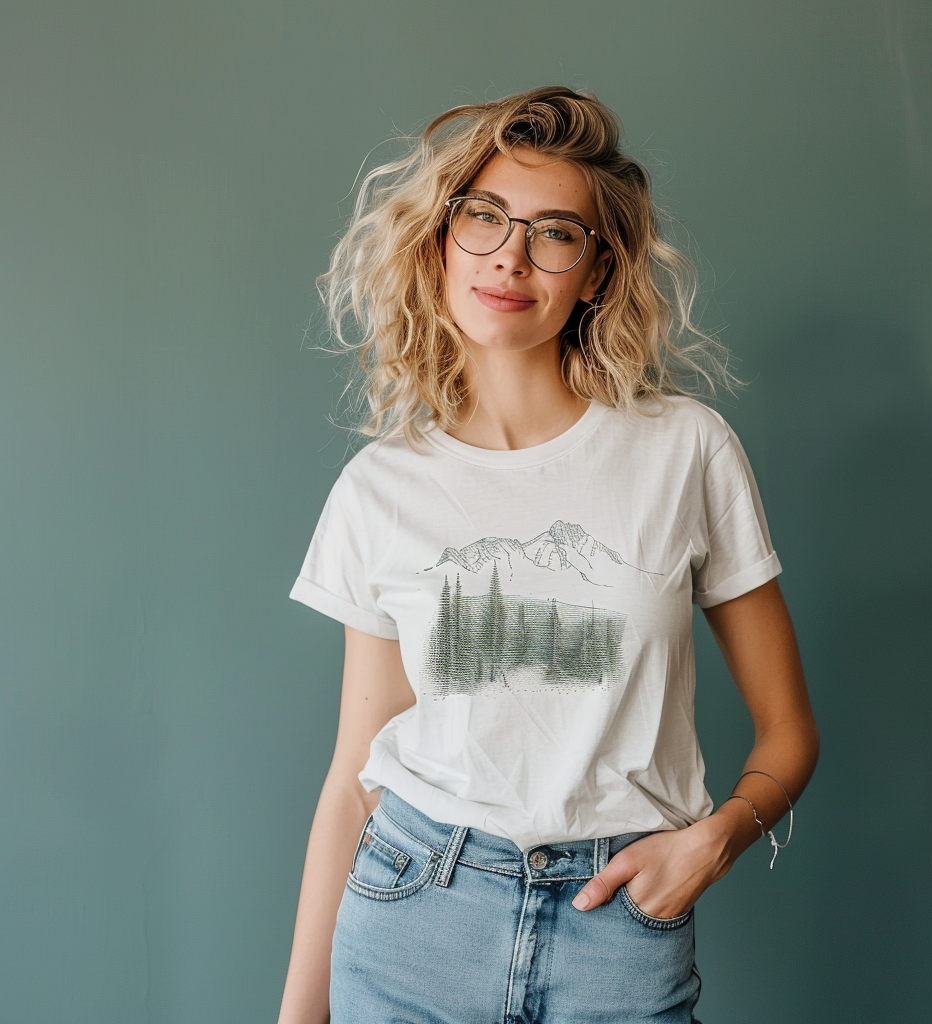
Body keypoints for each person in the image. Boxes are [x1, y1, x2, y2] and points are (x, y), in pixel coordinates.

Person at [277, 85, 820, 1024]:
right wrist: (298, 1015)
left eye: (555, 232)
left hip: (619, 926)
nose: (510, 258)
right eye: (484, 218)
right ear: (441, 239)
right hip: (413, 912)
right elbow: (351, 779)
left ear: (597, 270)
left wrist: (716, 839)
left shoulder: (685, 450)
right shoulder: (381, 485)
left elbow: (789, 733)